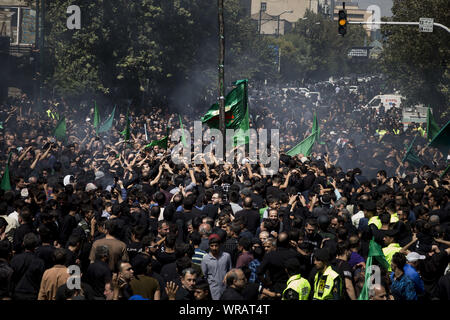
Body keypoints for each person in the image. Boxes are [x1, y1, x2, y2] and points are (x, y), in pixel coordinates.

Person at [10, 233, 45, 300]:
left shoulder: (15, 259)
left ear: (23, 243)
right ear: (35, 246)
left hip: (17, 293)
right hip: (33, 294)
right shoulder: (39, 262)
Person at [201, 234, 232, 300]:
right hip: (213, 289)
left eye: (216, 246)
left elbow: (230, 270)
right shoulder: (205, 258)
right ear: (209, 246)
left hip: (225, 288)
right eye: (212, 246)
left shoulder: (226, 256)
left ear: (220, 246)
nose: (214, 248)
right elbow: (204, 275)